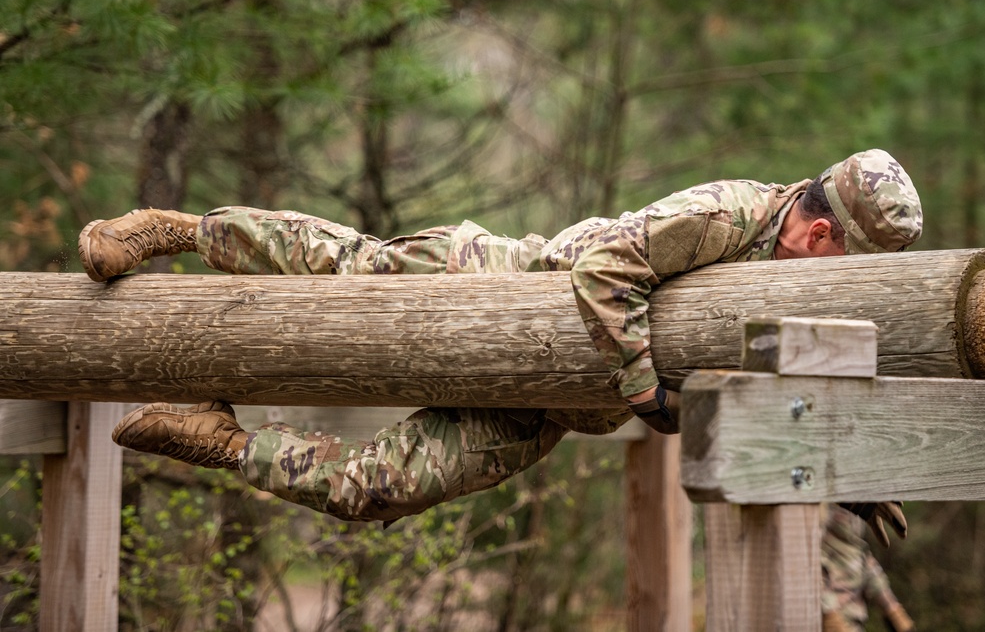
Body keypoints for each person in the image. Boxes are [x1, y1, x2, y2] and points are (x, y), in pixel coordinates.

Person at [79, 148, 919, 540]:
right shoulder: (728, 214)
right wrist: (639, 389)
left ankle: (221, 439)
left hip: (554, 399)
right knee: (343, 264)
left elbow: (773, 393)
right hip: (500, 284)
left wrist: (841, 475)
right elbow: (603, 274)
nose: (849, 282)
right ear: (816, 233)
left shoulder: (793, 273)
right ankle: (181, 229)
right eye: (853, 261)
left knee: (377, 493)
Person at [822, 505, 916, 631]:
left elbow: (863, 557)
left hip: (854, 616)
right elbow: (806, 566)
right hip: (823, 617)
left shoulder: (855, 508)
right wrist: (828, 611)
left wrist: (892, 608)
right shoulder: (819, 508)